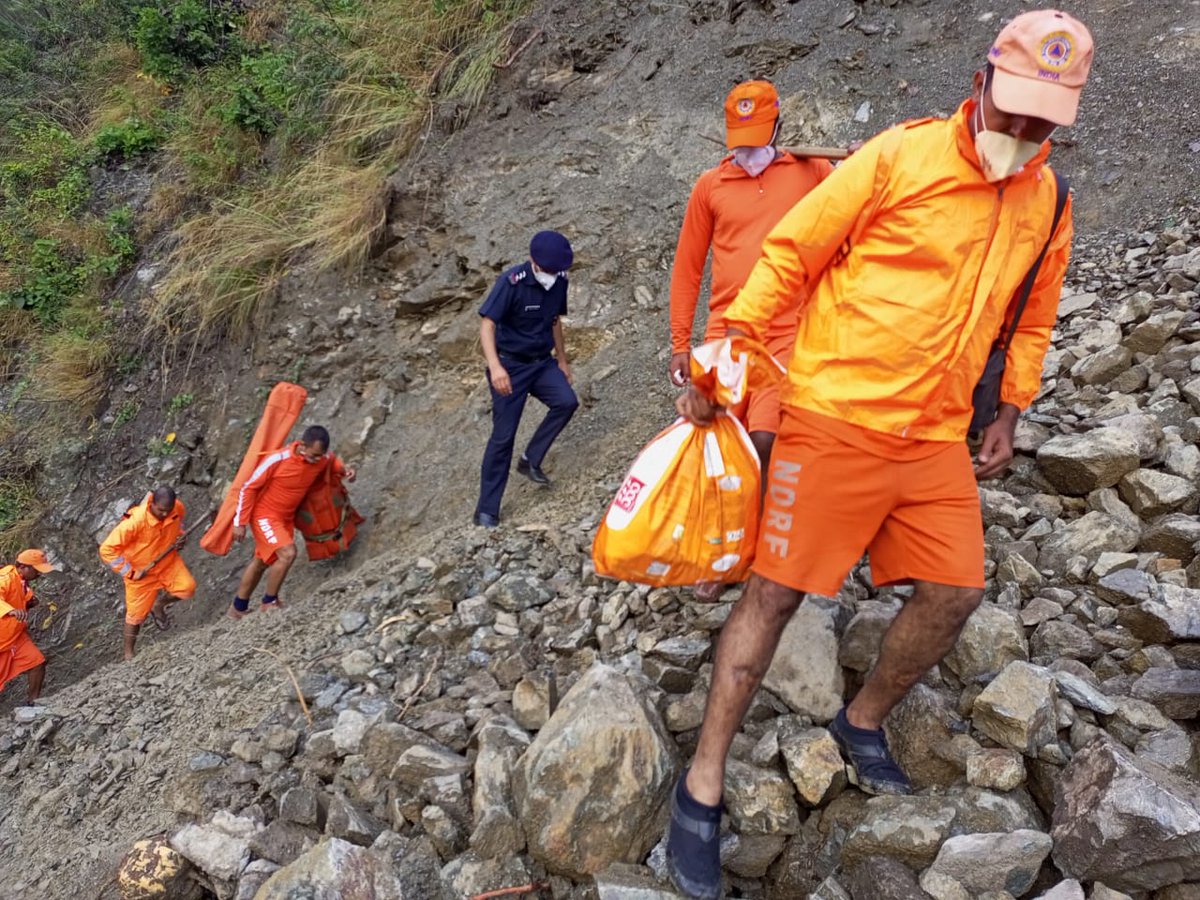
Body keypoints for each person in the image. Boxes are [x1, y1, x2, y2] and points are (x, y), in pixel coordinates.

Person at [664, 10, 1092, 898]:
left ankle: (864, 720)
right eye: (1011, 110)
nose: (1019, 133)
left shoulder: (1049, 202)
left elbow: (1035, 315)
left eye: (1042, 121)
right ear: (979, 83)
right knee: (775, 593)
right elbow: (790, 254)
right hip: (834, 415)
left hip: (934, 434)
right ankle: (701, 784)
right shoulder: (897, 158)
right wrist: (729, 352)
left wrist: (1011, 405)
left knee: (957, 591)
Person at [669, 79, 833, 473]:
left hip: (787, 331)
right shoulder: (710, 187)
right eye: (740, 139)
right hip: (725, 334)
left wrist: (866, 161)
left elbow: (862, 209)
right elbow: (688, 269)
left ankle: (762, 530)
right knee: (711, 445)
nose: (748, 149)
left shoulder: (813, 172)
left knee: (764, 439)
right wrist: (680, 342)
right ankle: (720, 530)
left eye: (757, 137)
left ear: (778, 125)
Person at [473, 230, 579, 528]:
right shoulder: (511, 282)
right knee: (502, 438)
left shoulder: (559, 281)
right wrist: (495, 368)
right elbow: (487, 325)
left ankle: (530, 459)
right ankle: (486, 511)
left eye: (556, 270)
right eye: (547, 270)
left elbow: (555, 320)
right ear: (534, 262)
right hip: (511, 367)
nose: (551, 275)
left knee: (566, 401)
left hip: (542, 363)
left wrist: (561, 360)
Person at [229, 425, 355, 618]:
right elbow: (249, 487)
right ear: (302, 446)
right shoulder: (278, 459)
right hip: (265, 515)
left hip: (285, 519)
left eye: (319, 456)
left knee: (262, 561)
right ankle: (269, 602)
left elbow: (333, 462)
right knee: (288, 554)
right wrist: (240, 522)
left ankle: (238, 608)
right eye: (313, 455)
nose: (316, 460)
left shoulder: (322, 458)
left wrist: (345, 470)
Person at [99, 485, 196, 660]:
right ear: (151, 503)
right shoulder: (135, 522)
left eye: (168, 510)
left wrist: (180, 536)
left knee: (187, 588)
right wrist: (130, 572)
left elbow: (179, 522)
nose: (165, 514)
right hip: (141, 575)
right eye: (161, 511)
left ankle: (159, 605)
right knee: (135, 617)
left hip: (168, 563)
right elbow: (107, 550)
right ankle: (129, 654)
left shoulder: (176, 507)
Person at [0, 549, 56, 703]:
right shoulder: (5, 578)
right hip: (3, 639)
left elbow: (21, 595)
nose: (40, 574)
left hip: (15, 636)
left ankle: (33, 703)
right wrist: (11, 610)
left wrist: (29, 603)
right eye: (37, 570)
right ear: (24, 567)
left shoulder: (22, 580)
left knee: (37, 662)